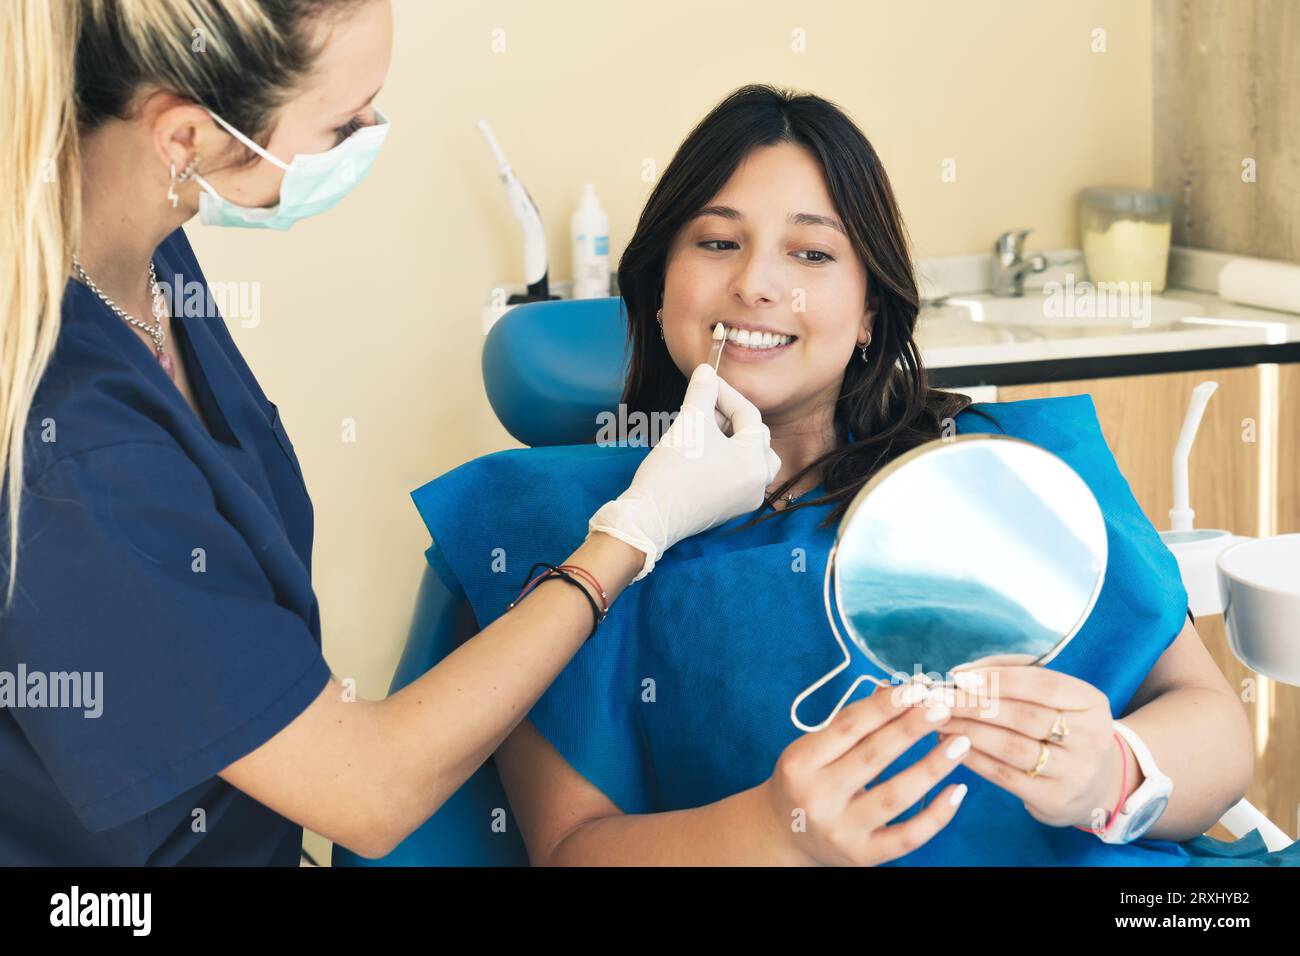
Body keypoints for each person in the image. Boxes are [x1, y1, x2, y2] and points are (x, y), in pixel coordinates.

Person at [411, 86, 1290, 866]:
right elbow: (572, 849)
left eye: (812, 254)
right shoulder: (557, 534)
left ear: (871, 309)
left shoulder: (1005, 470)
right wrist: (770, 832)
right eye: (717, 241)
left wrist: (1119, 772)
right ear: (658, 286)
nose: (757, 284)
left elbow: (1211, 724)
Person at [0, 1, 778, 865]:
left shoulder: (140, 258)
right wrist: (634, 532)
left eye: (813, 254)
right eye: (343, 122)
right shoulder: (76, 450)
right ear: (183, 139)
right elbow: (367, 792)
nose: (760, 288)